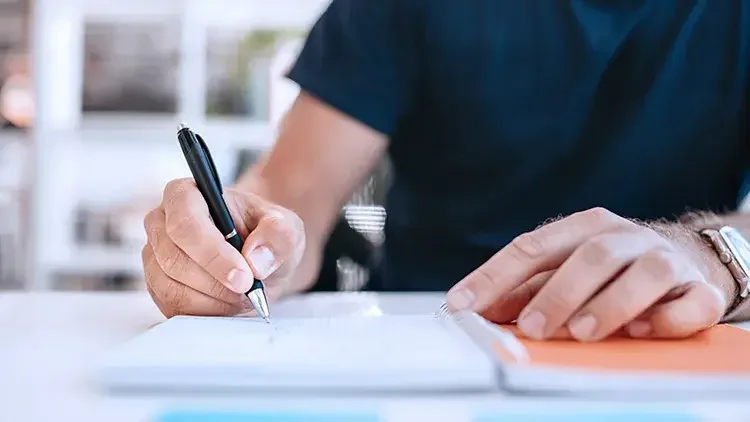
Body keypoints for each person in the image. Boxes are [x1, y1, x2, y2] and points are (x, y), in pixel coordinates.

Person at [142, 0, 750, 342]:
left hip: (679, 341)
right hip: (431, 343)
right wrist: (248, 240)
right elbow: (291, 192)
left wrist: (718, 255)